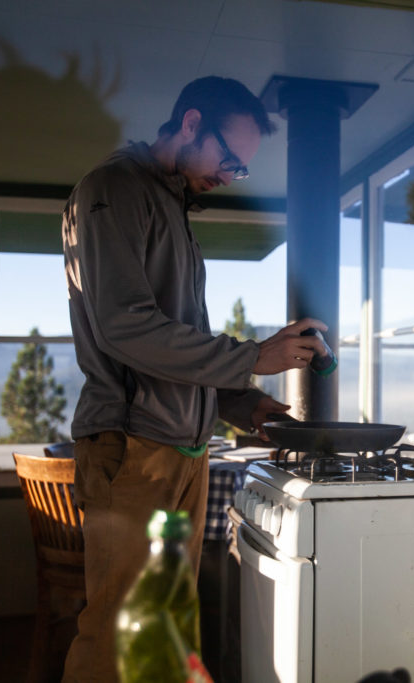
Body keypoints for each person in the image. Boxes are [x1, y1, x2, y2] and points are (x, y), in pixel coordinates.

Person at [60, 75, 326, 682]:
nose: (228, 175)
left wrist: (243, 402)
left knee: (163, 625)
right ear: (188, 124)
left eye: (240, 169)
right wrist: (251, 357)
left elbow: (176, 338)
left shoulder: (171, 203)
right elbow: (126, 328)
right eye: (227, 158)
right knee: (117, 632)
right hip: (133, 448)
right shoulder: (112, 190)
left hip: (182, 450)